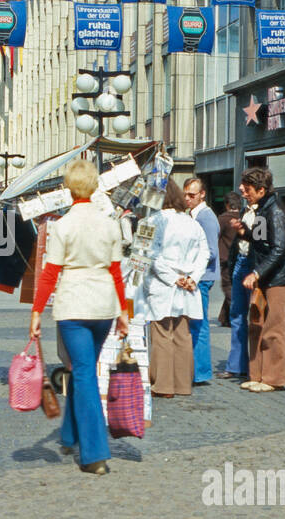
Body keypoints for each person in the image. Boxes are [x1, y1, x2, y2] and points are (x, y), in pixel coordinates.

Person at [28, 158, 127, 473]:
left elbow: (49, 273)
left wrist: (36, 312)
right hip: (103, 307)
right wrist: (123, 311)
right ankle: (70, 432)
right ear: (96, 186)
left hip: (73, 306)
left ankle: (95, 453)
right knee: (82, 369)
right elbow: (116, 272)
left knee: (83, 373)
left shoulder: (63, 226)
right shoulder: (110, 224)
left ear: (68, 190)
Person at [138, 177, 209, 397]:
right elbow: (204, 253)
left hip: (163, 285)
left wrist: (171, 277)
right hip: (187, 285)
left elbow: (147, 254)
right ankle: (182, 384)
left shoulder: (151, 222)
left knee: (162, 334)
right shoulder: (191, 223)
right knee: (182, 334)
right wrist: (193, 277)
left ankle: (163, 385)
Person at [239, 166, 285, 392]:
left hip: (275, 278)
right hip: (262, 276)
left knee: (274, 327)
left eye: (248, 188)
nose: (243, 190)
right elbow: (262, 240)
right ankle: (257, 374)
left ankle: (273, 378)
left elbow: (280, 247)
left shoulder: (276, 211)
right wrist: (246, 232)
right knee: (256, 324)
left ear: (261, 190)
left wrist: (257, 272)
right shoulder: (262, 209)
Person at [178, 176, 221, 384]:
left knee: (200, 324)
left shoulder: (206, 217)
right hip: (198, 276)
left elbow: (211, 251)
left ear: (202, 194)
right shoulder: (194, 215)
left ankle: (200, 371)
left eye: (192, 195)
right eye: (185, 194)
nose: (187, 199)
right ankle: (196, 369)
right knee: (195, 323)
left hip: (201, 277)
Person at [217, 185, 258, 380]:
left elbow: (265, 243)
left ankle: (256, 367)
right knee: (237, 313)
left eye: (246, 187)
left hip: (256, 265)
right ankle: (236, 365)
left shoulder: (266, 211)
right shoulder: (244, 211)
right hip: (239, 261)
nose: (242, 190)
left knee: (256, 315)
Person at [217, 194, 240, 327]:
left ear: (227, 205)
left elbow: (217, 235)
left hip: (225, 257)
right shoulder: (242, 217)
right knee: (234, 284)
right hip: (240, 256)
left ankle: (234, 316)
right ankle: (224, 317)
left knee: (228, 286)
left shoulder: (223, 219)